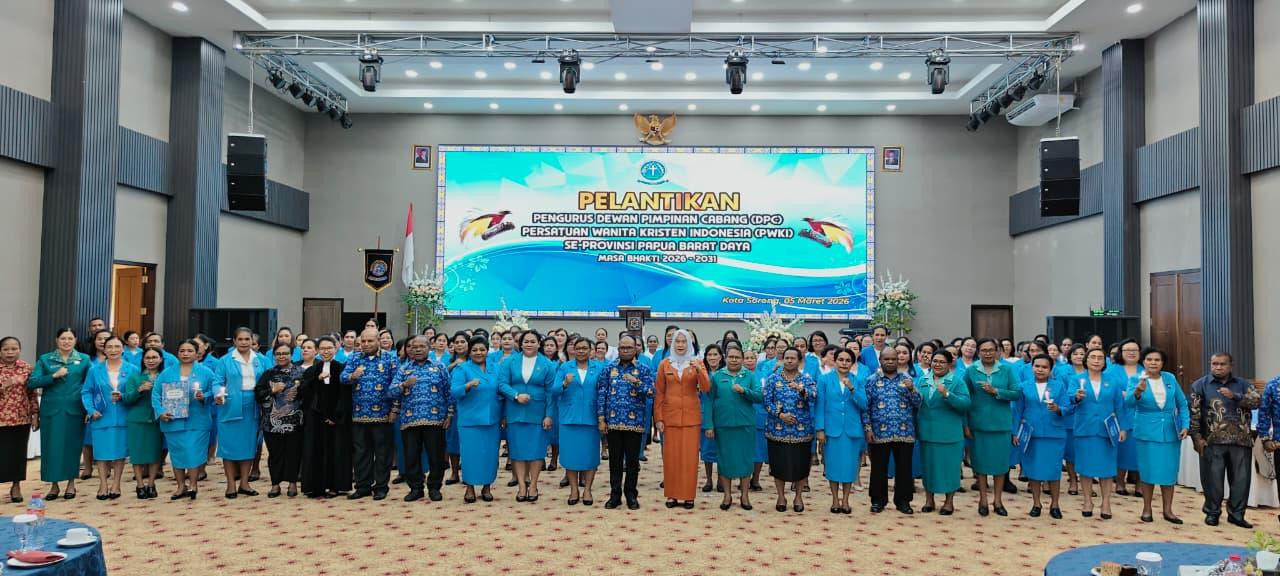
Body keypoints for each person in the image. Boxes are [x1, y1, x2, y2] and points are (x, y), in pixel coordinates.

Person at [1190, 352, 1260, 528]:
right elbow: (1194, 414)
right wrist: (1196, 437)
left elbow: (1257, 402)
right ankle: (1212, 513)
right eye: (1214, 364)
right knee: (1212, 481)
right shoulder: (1200, 385)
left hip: (1241, 440)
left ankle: (1237, 515)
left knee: (1241, 481)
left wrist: (1235, 396)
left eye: (1222, 364)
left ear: (1231, 365)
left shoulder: (1243, 384)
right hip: (1212, 441)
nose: (1218, 367)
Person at [1125, 347, 1189, 524]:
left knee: (1169, 472)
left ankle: (1168, 510)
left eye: (1157, 360)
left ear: (1162, 363)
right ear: (1143, 362)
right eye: (1149, 359)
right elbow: (1128, 403)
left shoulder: (1170, 378)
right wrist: (1137, 391)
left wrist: (1185, 425)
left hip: (1170, 432)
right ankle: (1147, 508)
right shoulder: (1135, 379)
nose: (1153, 363)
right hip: (1146, 432)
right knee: (1148, 472)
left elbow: (1182, 404)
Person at [29, 328, 90, 500]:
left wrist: (88, 408)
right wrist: (53, 376)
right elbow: (32, 382)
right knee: (51, 448)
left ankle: (71, 484)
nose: (66, 342)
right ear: (57, 340)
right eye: (63, 338)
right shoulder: (45, 359)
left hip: (75, 409)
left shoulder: (84, 359)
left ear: (75, 340)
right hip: (52, 411)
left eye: (70, 338)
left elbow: (90, 385)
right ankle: (54, 485)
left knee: (72, 447)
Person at [495, 330, 555, 502]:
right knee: (517, 451)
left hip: (538, 414)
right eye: (526, 341)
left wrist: (549, 415)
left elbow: (551, 392)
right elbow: (501, 384)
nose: (529, 344)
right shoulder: (510, 361)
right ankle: (522, 485)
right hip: (515, 412)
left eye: (532, 341)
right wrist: (515, 395)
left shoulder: (547, 364)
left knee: (536, 451)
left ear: (539, 344)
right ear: (520, 344)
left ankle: (534, 484)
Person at [391, 335, 452, 502]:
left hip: (435, 419)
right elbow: (391, 392)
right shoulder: (404, 369)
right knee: (411, 456)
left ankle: (434, 487)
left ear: (429, 348)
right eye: (414, 347)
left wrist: (450, 414)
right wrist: (403, 385)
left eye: (421, 346)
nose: (417, 349)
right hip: (410, 420)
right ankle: (416, 488)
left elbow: (448, 392)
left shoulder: (439, 367)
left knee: (436, 456)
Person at [596, 334, 655, 510]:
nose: (626, 351)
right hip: (613, 421)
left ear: (636, 349)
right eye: (622, 348)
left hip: (634, 423)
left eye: (629, 348)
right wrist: (601, 418)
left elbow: (651, 392)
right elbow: (602, 393)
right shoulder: (609, 368)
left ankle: (631, 494)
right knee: (614, 461)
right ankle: (615, 496)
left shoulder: (643, 369)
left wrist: (636, 382)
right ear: (618, 349)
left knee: (632, 462)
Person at [653, 330, 710, 509]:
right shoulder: (665, 364)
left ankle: (688, 496)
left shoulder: (697, 362)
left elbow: (706, 388)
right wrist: (658, 418)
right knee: (671, 457)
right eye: (677, 341)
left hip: (691, 417)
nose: (680, 345)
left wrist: (699, 369)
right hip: (670, 417)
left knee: (689, 458)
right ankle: (672, 494)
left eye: (683, 341)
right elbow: (659, 392)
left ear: (689, 344)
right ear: (672, 344)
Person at [964, 337, 1020, 516]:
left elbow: (1016, 392)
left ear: (997, 351)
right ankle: (983, 500)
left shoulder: (1007, 369)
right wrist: (966, 424)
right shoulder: (971, 371)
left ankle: (998, 500)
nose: (987, 353)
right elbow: (964, 397)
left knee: (1000, 465)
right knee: (980, 465)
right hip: (978, 425)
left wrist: (996, 391)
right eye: (984, 350)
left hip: (1001, 425)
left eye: (991, 350)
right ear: (978, 352)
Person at [154, 340, 216, 500]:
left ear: (197, 353)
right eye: (182, 350)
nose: (185, 354)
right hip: (173, 420)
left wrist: (204, 396)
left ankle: (193, 485)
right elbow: (156, 394)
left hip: (197, 419)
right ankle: (181, 486)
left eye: (189, 350)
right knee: (177, 453)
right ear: (177, 353)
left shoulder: (206, 372)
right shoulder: (166, 373)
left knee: (193, 452)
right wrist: (160, 412)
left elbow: (214, 391)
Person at [342, 328, 399, 501]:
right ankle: (363, 487)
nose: (366, 344)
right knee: (361, 453)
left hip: (383, 414)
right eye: (363, 341)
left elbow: (397, 385)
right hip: (359, 414)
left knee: (382, 453)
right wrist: (352, 376)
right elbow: (343, 377)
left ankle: (381, 487)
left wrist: (395, 409)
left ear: (378, 341)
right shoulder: (354, 358)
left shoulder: (390, 358)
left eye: (370, 341)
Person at [1069, 348, 1126, 520]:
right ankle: (1087, 501)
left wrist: (1122, 427)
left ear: (1104, 361)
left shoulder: (1112, 381)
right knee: (1085, 467)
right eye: (1092, 357)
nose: (1096, 360)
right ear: (1086, 360)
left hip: (1107, 430)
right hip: (1084, 428)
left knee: (1107, 468)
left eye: (1100, 357)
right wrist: (1076, 397)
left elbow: (1120, 406)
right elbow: (1068, 400)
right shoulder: (1076, 379)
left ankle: (1106, 502)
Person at [1012, 354, 1071, 519]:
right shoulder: (1024, 386)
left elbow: (1067, 407)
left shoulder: (1059, 386)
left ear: (1051, 369)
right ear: (1032, 367)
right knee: (1033, 470)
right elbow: (1017, 411)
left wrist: (1058, 409)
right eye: (1037, 366)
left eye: (1044, 367)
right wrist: (1015, 432)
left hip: (1054, 434)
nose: (1040, 370)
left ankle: (1055, 504)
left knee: (1054, 470)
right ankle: (1036, 503)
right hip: (1031, 434)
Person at [865, 347, 921, 514]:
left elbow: (918, 403)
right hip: (879, 432)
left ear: (898, 361)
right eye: (886, 359)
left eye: (893, 359)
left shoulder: (907, 379)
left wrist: (912, 389)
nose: (890, 362)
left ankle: (903, 501)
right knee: (878, 468)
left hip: (904, 432)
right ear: (880, 361)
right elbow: (866, 407)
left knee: (904, 468)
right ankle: (878, 500)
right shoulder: (871, 380)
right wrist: (868, 428)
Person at [706, 344, 761, 511]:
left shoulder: (749, 376)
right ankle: (727, 495)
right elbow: (709, 401)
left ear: (742, 359)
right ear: (725, 358)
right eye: (731, 357)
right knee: (725, 460)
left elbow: (760, 396)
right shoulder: (717, 376)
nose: (734, 360)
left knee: (745, 460)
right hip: (723, 425)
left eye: (737, 357)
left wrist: (744, 391)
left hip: (745, 424)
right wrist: (709, 425)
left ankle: (744, 495)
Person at [762, 347, 817, 513]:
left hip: (801, 431)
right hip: (777, 430)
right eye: (787, 358)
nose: (789, 360)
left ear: (799, 361)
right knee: (778, 464)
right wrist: (780, 414)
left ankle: (798, 496)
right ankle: (781, 496)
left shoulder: (806, 379)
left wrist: (801, 390)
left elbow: (814, 396)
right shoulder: (773, 378)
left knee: (801, 465)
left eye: (793, 358)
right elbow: (766, 401)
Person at [82, 336, 136, 500]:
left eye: (117, 346)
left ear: (123, 349)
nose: (113, 350)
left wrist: (124, 396)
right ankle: (103, 484)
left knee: (120, 452)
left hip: (123, 416)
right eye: (109, 347)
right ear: (104, 350)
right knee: (101, 452)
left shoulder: (132, 369)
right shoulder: (94, 370)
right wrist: (91, 410)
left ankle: (116, 484)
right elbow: (86, 392)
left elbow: (135, 393)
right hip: (101, 416)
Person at [551, 337, 604, 506]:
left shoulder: (599, 368)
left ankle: (587, 489)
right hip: (569, 418)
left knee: (590, 456)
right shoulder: (565, 367)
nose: (581, 351)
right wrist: (564, 384)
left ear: (590, 350)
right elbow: (554, 390)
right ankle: (574, 489)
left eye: (584, 348)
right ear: (573, 350)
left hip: (591, 418)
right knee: (570, 455)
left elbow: (604, 391)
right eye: (578, 348)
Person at [916, 349, 969, 515]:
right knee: (928, 467)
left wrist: (947, 394)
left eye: (941, 362)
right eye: (935, 361)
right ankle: (929, 500)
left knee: (950, 468)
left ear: (949, 364)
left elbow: (965, 404)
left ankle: (948, 502)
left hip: (949, 433)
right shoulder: (922, 380)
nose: (937, 364)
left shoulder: (956, 381)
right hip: (927, 431)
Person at [814, 348, 867, 515]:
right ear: (835, 361)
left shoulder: (857, 380)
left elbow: (864, 404)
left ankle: (845, 500)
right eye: (841, 360)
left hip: (852, 430)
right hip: (832, 429)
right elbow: (820, 405)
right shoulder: (824, 379)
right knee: (833, 466)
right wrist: (820, 429)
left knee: (849, 466)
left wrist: (852, 388)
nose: (844, 363)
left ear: (852, 363)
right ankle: (835, 499)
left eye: (847, 360)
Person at [300, 337, 352, 498]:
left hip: (336, 419)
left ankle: (336, 486)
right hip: (316, 418)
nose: (326, 351)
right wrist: (317, 379)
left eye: (329, 348)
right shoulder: (311, 371)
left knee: (335, 451)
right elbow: (303, 392)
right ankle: (317, 487)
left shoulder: (342, 369)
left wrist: (335, 416)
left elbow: (345, 395)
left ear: (336, 349)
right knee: (315, 451)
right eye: (322, 348)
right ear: (317, 350)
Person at [451, 336, 501, 504]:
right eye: (475, 350)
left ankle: (487, 487)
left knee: (490, 455)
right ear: (469, 351)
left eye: (482, 349)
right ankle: (470, 487)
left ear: (487, 351)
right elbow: (454, 392)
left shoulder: (496, 368)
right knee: (470, 455)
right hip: (470, 420)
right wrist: (467, 385)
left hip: (492, 419)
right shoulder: (462, 368)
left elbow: (502, 390)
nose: (479, 353)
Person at [255, 344, 305, 498]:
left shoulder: (301, 372)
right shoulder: (268, 374)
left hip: (295, 421)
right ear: (274, 356)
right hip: (272, 422)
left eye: (285, 353)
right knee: (275, 454)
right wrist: (272, 390)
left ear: (292, 354)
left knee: (294, 453)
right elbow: (258, 394)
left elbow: (309, 393)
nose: (282, 356)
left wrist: (298, 393)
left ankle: (292, 483)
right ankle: (275, 484)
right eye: (278, 354)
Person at [121, 348, 164, 499]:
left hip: (157, 419)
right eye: (148, 358)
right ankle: (139, 484)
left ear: (160, 359)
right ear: (143, 360)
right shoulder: (135, 377)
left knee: (154, 453)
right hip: (137, 419)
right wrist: (139, 390)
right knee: (137, 453)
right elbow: (127, 398)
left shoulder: (165, 376)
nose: (151, 360)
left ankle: (151, 484)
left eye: (154, 357)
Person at [0, 337, 38, 503]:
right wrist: (4, 385)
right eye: (6, 349)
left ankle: (16, 486)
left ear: (19, 350)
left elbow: (32, 393)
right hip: (1, 418)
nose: (10, 352)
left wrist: (35, 414)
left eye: (14, 349)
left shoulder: (26, 368)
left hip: (21, 417)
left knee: (18, 454)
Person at [1106, 339, 1143, 496]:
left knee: (1140, 451)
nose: (1131, 353)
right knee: (1122, 450)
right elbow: (1107, 391)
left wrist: (1130, 394)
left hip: (1141, 414)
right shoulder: (1111, 371)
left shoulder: (1145, 370)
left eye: (1135, 350)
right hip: (1119, 414)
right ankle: (1120, 482)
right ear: (1121, 353)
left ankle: (1140, 485)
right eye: (1127, 350)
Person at [698, 343, 723, 492]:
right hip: (704, 414)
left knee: (721, 449)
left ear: (721, 357)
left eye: (715, 354)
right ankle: (708, 480)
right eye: (709, 355)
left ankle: (721, 479)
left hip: (722, 415)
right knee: (707, 449)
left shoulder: (726, 373)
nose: (712, 357)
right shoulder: (701, 373)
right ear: (705, 357)